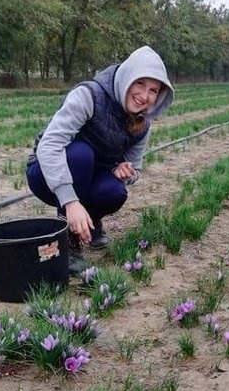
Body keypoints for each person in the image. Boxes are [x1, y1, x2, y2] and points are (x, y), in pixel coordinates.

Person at [26, 45, 174, 274]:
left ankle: (91, 221)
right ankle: (68, 239)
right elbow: (49, 146)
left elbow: (135, 169)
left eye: (153, 90)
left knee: (115, 192)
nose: (144, 96)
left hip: (90, 177)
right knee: (81, 154)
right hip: (46, 174)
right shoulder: (89, 96)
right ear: (127, 78)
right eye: (140, 83)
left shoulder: (143, 123)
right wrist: (71, 202)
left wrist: (125, 172)